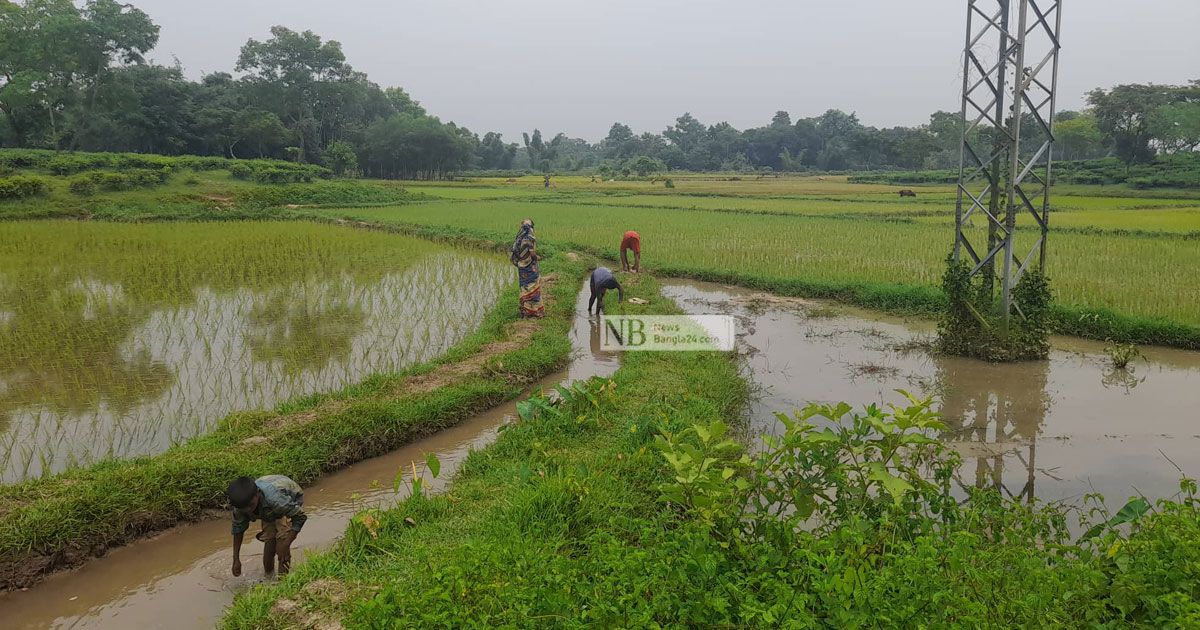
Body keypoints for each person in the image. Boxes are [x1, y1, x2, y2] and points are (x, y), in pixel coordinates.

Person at [227, 474, 307, 577]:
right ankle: (268, 576)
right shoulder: (240, 506)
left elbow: (300, 517)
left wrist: (286, 544)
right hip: (267, 508)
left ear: (257, 494)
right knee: (269, 539)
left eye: (251, 505)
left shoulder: (277, 501)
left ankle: (284, 582)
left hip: (290, 497)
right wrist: (236, 559)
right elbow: (238, 530)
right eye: (244, 508)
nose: (248, 510)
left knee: (282, 541)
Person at [510, 219, 544, 318]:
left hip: (522, 267)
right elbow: (532, 254)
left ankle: (525, 311)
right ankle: (536, 311)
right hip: (530, 267)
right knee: (534, 287)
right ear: (532, 227)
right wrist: (537, 258)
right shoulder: (529, 238)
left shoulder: (518, 239)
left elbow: (514, 255)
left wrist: (521, 261)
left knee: (524, 288)